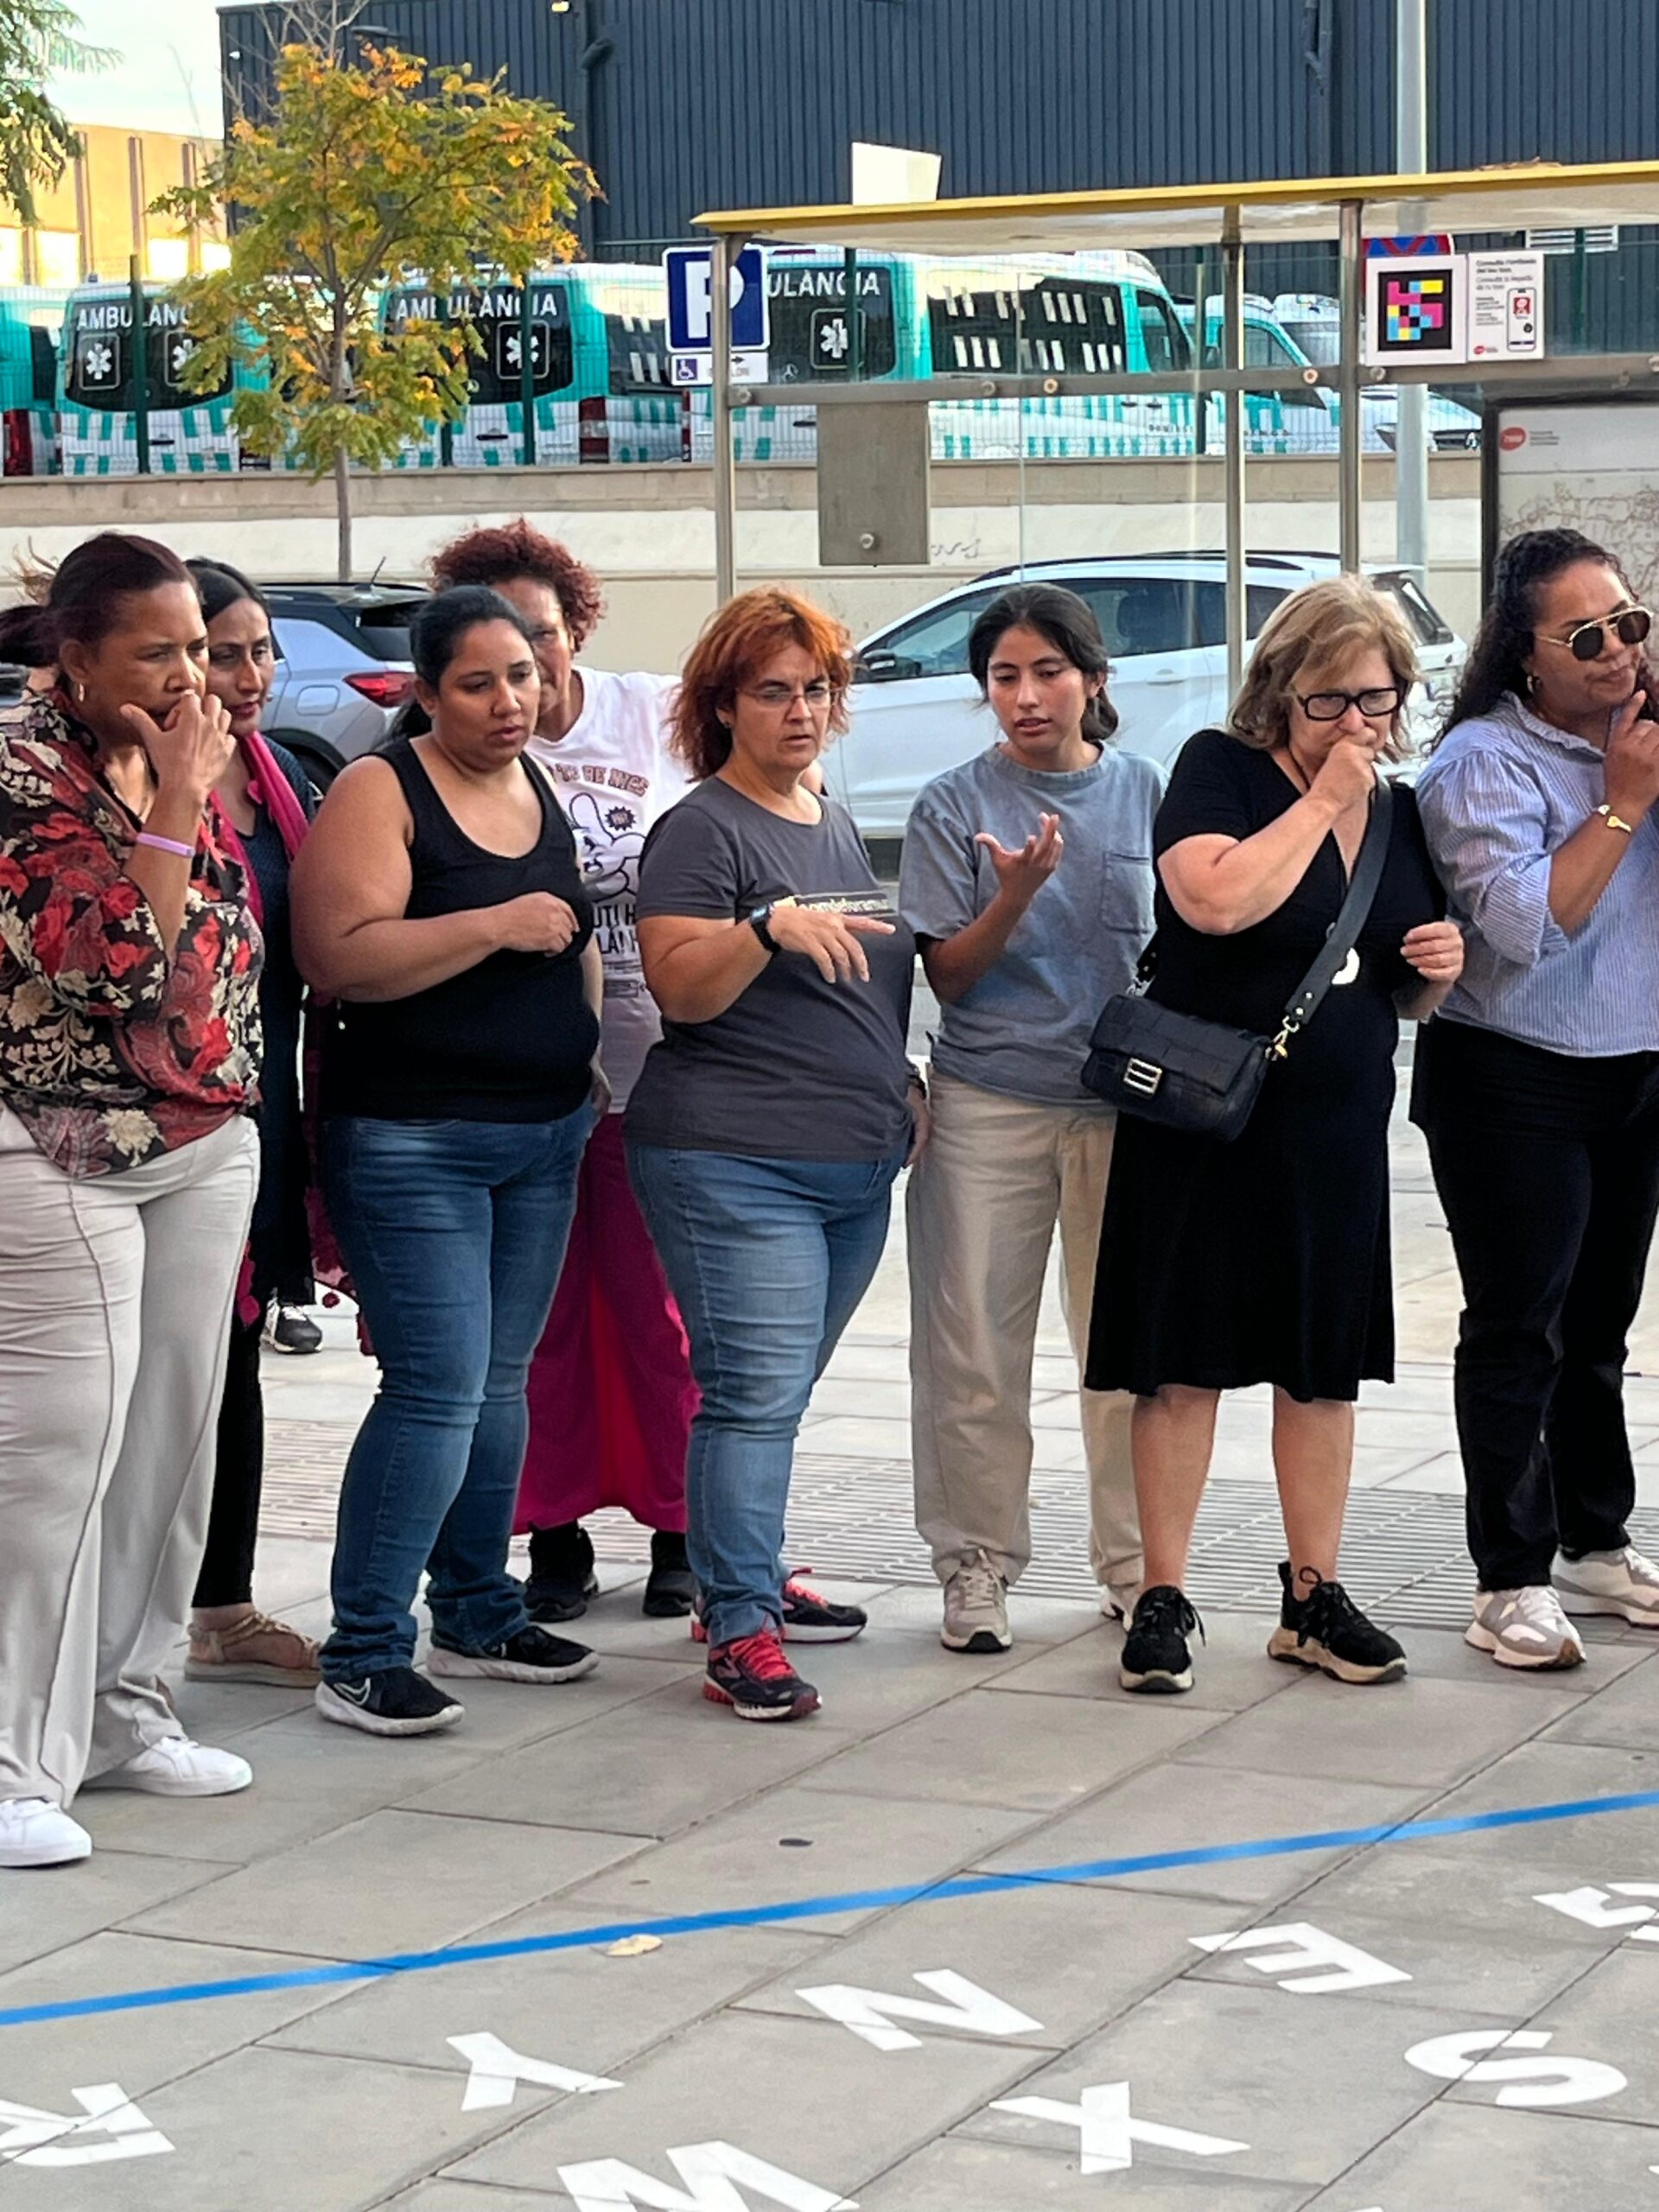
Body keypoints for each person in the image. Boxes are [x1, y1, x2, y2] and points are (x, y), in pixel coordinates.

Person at [1087, 575, 1464, 1695]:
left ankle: (1314, 1596)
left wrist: (1436, 973)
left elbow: (1393, 983)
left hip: (1334, 1131)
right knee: (1182, 1364)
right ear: (1279, 691)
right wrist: (1319, 800)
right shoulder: (1220, 768)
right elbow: (1212, 900)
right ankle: (1163, 1596)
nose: (1355, 723)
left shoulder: (1397, 812)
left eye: (1376, 700)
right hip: (1205, 1120)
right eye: (1328, 700)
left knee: (1321, 1369)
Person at [291, 586, 605, 1738]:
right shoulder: (383, 789)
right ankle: (364, 1648)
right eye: (477, 683)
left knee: (501, 1384)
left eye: (521, 676)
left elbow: (571, 933)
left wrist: (585, 1056)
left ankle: (476, 1606)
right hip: (413, 1139)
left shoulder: (537, 782)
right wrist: (492, 925)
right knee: (435, 1388)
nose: (508, 701)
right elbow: (339, 956)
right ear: (427, 693)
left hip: (544, 1133)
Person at [0, 533, 262, 1870]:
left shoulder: (170, 755)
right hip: (58, 1142)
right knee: (56, 1460)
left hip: (203, 1131)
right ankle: (10, 1764)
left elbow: (220, 932)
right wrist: (178, 798)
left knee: (170, 1444)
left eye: (197, 648)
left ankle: (125, 1712)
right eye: (156, 652)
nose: (188, 675)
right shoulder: (18, 771)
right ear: (76, 654)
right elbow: (112, 965)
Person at [626, 588, 921, 1722]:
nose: (801, 710)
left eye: (817, 689)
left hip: (854, 1162)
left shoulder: (821, 812)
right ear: (722, 705)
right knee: (750, 1394)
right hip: (734, 1161)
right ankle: (739, 1622)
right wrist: (761, 928)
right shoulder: (704, 828)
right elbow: (681, 989)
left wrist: (901, 1080)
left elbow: (857, 982)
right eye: (773, 692)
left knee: (778, 1393)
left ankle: (740, 1573)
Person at [428, 521, 696, 1621]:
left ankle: (684, 1527)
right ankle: (553, 1532)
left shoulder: (656, 713)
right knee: (536, 1327)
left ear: (575, 628)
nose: (523, 669)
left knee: (664, 1317)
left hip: (661, 1074)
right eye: (496, 645)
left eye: (540, 636)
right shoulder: (455, 748)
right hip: (533, 1085)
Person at [1413, 527, 1659, 1671]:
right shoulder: (1482, 762)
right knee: (1520, 1328)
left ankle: (1593, 1541)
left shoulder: (1641, 733)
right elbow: (1526, 925)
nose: (1618, 651)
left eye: (1630, 624)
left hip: (1634, 1065)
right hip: (1512, 1073)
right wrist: (1621, 804)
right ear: (1525, 654)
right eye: (1587, 637)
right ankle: (1508, 1576)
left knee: (1601, 1324)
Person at [900, 584, 1155, 1654]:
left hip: (1125, 1109)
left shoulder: (1147, 790)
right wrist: (1013, 894)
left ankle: (1142, 1570)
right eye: (1004, 677)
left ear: (1093, 680)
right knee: (971, 1352)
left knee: (1128, 1356)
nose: (1026, 696)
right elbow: (947, 977)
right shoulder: (951, 804)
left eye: (1048, 672)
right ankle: (977, 1563)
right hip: (987, 1102)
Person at [178, 559, 323, 1690]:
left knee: (236, 1363)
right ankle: (135, 1619)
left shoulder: (274, 776)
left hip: (264, 1100)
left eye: (260, 650)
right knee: (173, 1369)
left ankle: (221, 1604)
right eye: (223, 653)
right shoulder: (144, 779)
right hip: (171, 1116)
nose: (249, 674)